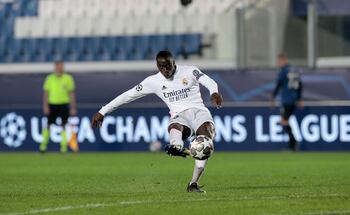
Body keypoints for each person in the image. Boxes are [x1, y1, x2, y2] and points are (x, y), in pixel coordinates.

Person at [92, 50, 222, 193]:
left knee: (205, 140)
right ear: (157, 66)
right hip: (179, 116)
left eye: (168, 65)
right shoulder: (153, 81)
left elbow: (208, 81)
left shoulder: (190, 71)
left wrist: (214, 92)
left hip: (199, 112)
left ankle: (193, 184)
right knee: (174, 125)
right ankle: (176, 147)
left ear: (174, 62)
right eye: (162, 67)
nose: (166, 70)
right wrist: (103, 111)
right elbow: (128, 95)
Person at [40, 61, 77, 153]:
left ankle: (63, 146)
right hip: (52, 104)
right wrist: (45, 106)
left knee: (63, 124)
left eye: (60, 67)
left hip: (64, 104)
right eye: (57, 67)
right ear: (55, 68)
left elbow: (71, 93)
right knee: (48, 124)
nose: (59, 69)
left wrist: (73, 107)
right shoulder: (50, 78)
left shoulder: (68, 78)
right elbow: (46, 93)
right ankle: (43, 145)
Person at [271, 53, 303, 151]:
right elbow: (300, 85)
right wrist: (299, 98)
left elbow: (279, 85)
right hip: (293, 99)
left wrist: (273, 97)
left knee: (284, 122)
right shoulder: (294, 70)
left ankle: (292, 144)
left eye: (279, 61)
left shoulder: (283, 71)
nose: (278, 63)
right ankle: (292, 144)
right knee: (285, 121)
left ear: (284, 60)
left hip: (287, 99)